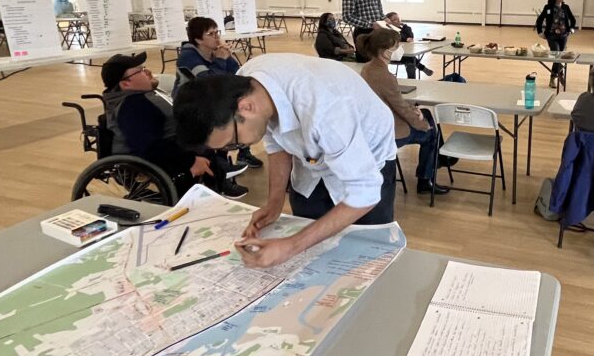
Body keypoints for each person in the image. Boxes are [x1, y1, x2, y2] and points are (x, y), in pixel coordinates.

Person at [174, 53, 397, 269]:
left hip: (367, 159)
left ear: (246, 107)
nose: (233, 148)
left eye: (233, 142)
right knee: (313, 254)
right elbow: (275, 139)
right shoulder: (245, 84)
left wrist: (291, 246)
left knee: (365, 255)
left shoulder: (325, 108)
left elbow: (365, 193)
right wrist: (274, 202)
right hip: (311, 161)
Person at [100, 53, 247, 199]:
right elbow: (151, 147)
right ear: (126, 84)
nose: (148, 72)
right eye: (141, 71)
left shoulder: (141, 96)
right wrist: (191, 162)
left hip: (180, 150)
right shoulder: (133, 107)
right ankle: (217, 182)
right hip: (167, 163)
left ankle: (220, 175)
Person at [357, 28, 449, 194]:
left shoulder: (367, 69)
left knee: (426, 114)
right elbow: (400, 108)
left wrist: (415, 110)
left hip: (375, 126)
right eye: (396, 46)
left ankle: (440, 160)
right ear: (386, 53)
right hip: (391, 131)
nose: (399, 49)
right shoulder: (385, 76)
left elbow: (393, 101)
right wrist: (422, 124)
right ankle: (426, 179)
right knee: (431, 133)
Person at [175, 16, 263, 172]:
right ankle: (222, 164)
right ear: (198, 39)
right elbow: (209, 83)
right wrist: (221, 60)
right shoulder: (188, 56)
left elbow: (237, 74)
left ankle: (243, 153)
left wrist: (227, 57)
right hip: (192, 103)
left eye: (217, 32)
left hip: (211, 98)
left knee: (244, 110)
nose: (217, 37)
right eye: (211, 34)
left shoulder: (214, 52)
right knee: (226, 119)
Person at [535, 0, 577, 89]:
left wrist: (571, 29)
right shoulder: (548, 7)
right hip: (551, 35)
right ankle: (555, 76)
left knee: (559, 56)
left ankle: (557, 73)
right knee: (557, 54)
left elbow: (573, 20)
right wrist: (540, 32)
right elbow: (539, 20)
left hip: (563, 35)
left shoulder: (565, 7)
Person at [386, 11, 434, 78]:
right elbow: (398, 37)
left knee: (410, 59)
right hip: (393, 55)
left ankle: (413, 78)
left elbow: (410, 35)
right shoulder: (388, 30)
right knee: (411, 59)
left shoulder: (404, 28)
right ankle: (421, 69)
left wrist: (404, 26)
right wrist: (405, 38)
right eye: (395, 19)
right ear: (389, 22)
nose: (398, 20)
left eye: (398, 18)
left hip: (404, 53)